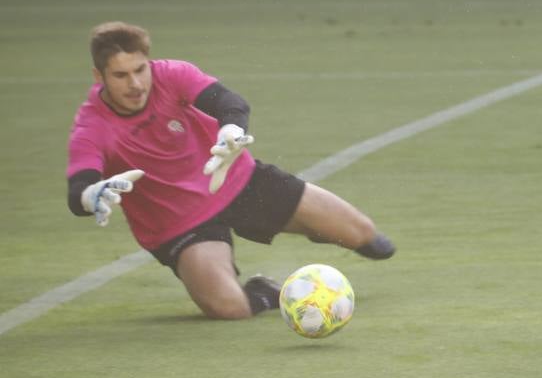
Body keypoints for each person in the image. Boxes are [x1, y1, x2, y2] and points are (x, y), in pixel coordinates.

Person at [66, 21, 395, 320]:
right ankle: (265, 292)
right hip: (180, 225)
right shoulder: (92, 126)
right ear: (99, 77)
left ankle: (311, 226)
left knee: (368, 238)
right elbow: (79, 189)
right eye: (121, 76)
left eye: (140, 69)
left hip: (239, 181)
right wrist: (90, 195)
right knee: (228, 307)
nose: (136, 84)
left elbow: (229, 103)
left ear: (149, 61)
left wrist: (230, 132)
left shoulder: (172, 74)